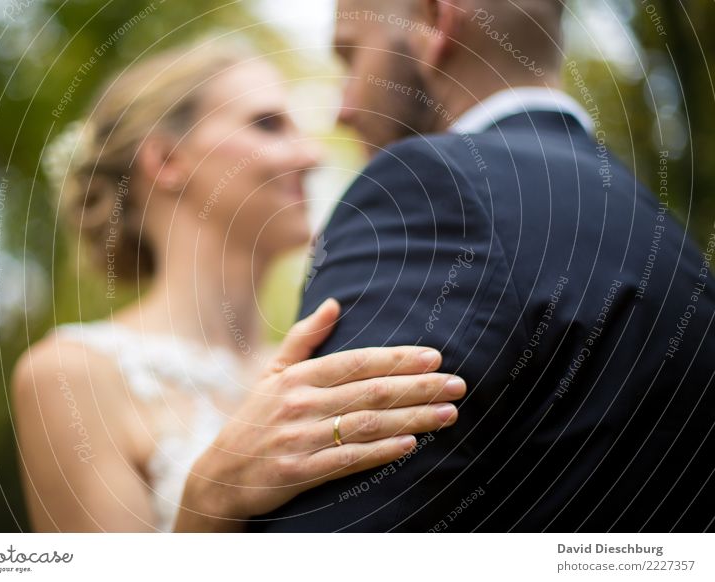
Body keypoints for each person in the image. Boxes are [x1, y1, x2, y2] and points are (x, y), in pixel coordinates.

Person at [249, 0, 715, 531]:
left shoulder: (426, 191)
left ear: (432, 24)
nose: (342, 108)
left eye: (351, 53)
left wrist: (208, 505)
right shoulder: (670, 240)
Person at [11, 40, 469, 532]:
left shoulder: (323, 361)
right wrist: (209, 499)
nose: (312, 154)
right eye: (268, 124)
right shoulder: (68, 376)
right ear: (166, 160)